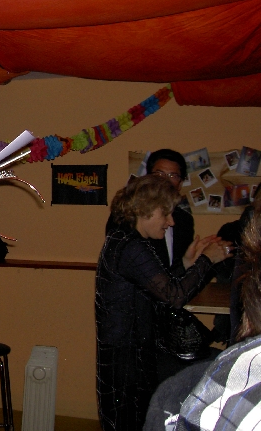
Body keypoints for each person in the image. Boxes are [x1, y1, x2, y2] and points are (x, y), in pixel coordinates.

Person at [96, 174, 227, 431]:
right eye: (165, 213)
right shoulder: (131, 246)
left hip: (129, 356)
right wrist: (207, 261)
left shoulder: (127, 240)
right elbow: (175, 297)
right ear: (145, 209)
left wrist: (187, 264)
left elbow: (159, 289)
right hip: (126, 360)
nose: (171, 221)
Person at [174, 200, 261, 430]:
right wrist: (201, 261)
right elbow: (173, 293)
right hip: (242, 336)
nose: (169, 221)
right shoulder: (235, 232)